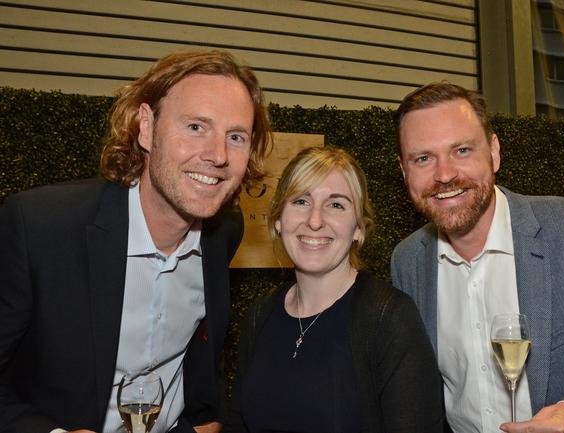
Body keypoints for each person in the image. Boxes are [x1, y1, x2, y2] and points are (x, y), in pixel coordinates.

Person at [0, 49, 271, 433]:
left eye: (236, 136)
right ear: (146, 127)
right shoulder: (40, 227)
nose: (218, 155)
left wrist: (205, 417)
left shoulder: (224, 231)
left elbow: (201, 347)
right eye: (196, 127)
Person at [391, 82, 564, 433]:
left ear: (494, 152)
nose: (445, 174)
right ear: (405, 171)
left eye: (462, 150)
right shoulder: (407, 262)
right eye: (423, 158)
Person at [224, 146, 444, 433]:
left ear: (358, 228)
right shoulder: (261, 315)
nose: (315, 221)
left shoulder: (388, 318)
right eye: (301, 201)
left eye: (336, 205)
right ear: (279, 220)